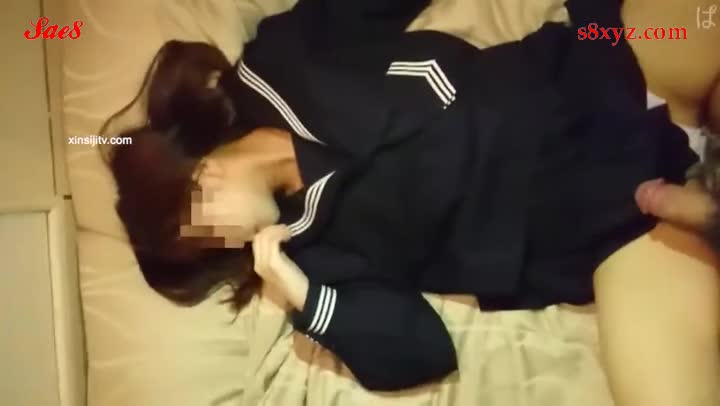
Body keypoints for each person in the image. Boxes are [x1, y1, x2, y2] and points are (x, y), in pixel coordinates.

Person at [105, 0, 720, 403]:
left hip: (597, 67)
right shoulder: (312, 259)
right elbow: (421, 351)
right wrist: (301, 293)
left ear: (201, 175)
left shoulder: (278, 63)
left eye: (206, 233)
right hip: (612, 227)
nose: (230, 247)